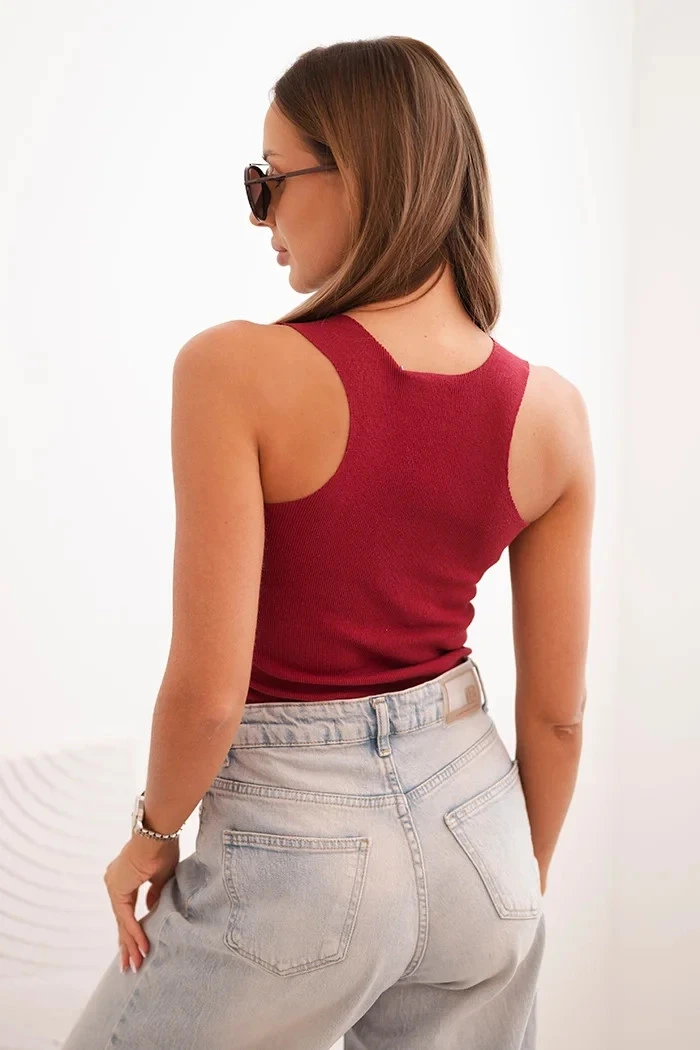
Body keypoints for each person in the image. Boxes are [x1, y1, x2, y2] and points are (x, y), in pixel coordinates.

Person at [61, 34, 594, 1050]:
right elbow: (559, 718)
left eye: (268, 178)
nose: (259, 214)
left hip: (296, 847)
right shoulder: (553, 414)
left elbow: (208, 691)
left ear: (358, 172)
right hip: (483, 829)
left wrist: (151, 836)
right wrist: (508, 883)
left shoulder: (234, 371)